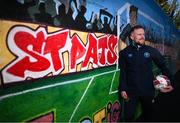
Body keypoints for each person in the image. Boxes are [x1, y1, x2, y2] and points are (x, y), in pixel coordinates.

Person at [118, 25, 174, 121]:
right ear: (132, 37)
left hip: (148, 91)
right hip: (131, 92)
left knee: (150, 116)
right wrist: (123, 88)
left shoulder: (151, 51)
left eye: (143, 34)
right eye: (139, 34)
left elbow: (163, 67)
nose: (142, 36)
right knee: (128, 117)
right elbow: (123, 72)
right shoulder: (124, 53)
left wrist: (172, 83)